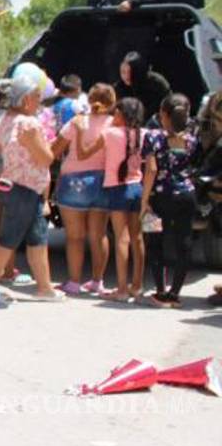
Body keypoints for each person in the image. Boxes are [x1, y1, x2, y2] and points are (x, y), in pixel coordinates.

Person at [0, 76, 66, 304]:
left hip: (17, 186)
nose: (40, 102)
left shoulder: (4, 120)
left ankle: (45, 288)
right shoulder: (29, 124)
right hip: (25, 188)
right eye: (37, 97)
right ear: (26, 100)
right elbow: (46, 158)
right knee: (7, 240)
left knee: (38, 239)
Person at [52, 83, 115, 296]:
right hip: (104, 181)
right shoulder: (114, 124)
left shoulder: (77, 122)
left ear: (89, 100)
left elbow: (55, 149)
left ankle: (74, 282)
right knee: (99, 235)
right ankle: (98, 281)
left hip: (74, 181)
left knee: (75, 236)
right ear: (112, 103)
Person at [141, 94, 198, 308]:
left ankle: (159, 291)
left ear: (164, 114)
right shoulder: (192, 139)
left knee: (155, 242)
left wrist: (144, 201)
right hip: (186, 195)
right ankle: (175, 293)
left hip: (158, 197)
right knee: (184, 242)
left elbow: (151, 169)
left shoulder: (153, 137)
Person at [99, 98, 147, 302]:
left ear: (121, 113)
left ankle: (120, 289)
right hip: (137, 187)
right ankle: (137, 285)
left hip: (117, 189)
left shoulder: (110, 134)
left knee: (121, 238)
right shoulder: (143, 134)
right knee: (137, 238)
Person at [114, 51, 171, 121]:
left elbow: (169, 103)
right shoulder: (119, 87)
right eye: (123, 72)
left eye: (131, 72)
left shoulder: (156, 82)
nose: (126, 76)